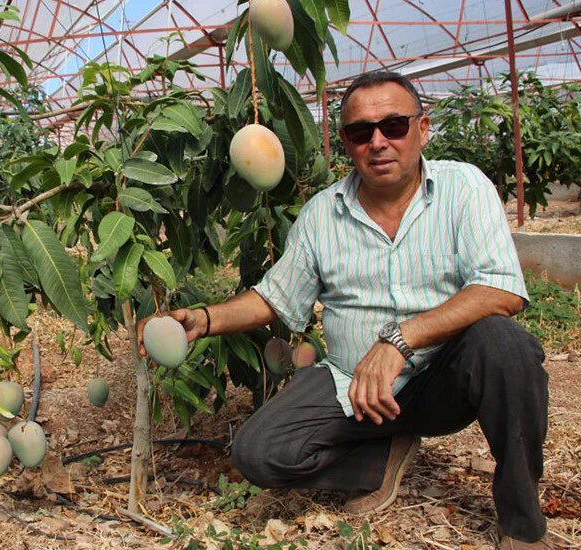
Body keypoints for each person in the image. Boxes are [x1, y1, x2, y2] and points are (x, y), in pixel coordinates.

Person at [138, 71, 550, 549]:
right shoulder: (320, 214)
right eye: (361, 132)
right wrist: (204, 320)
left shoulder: (464, 189)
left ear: (423, 128)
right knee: (258, 453)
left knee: (505, 346)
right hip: (351, 386)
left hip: (442, 381)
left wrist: (402, 339)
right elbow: (274, 298)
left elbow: (502, 290)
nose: (378, 142)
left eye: (394, 125)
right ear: (346, 144)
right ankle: (381, 459)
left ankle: (522, 522)